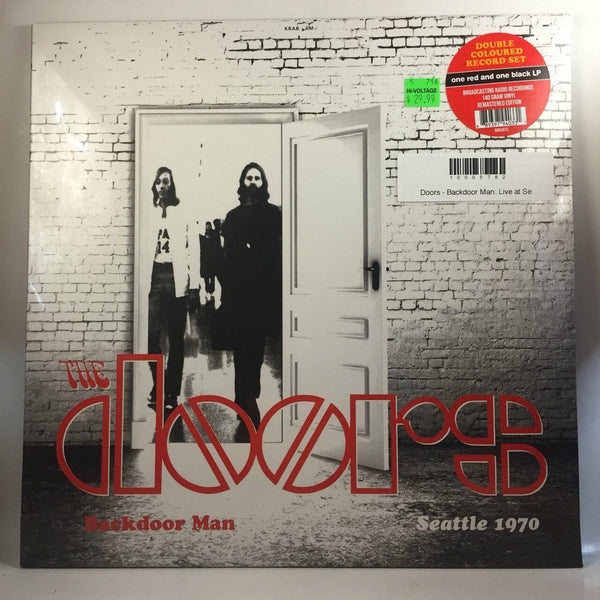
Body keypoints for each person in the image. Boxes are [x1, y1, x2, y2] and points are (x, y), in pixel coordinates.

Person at [217, 162, 281, 442]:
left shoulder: (274, 213)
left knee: (255, 347)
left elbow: (277, 251)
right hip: (238, 291)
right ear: (242, 182)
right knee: (242, 347)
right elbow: (227, 256)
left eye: (257, 178)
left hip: (263, 291)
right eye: (248, 177)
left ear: (262, 182)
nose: (252, 182)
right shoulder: (233, 216)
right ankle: (245, 399)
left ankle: (248, 395)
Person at [146, 166, 200, 423]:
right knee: (151, 337)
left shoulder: (184, 213)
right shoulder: (149, 214)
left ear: (172, 185)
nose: (162, 186)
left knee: (176, 340)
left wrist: (194, 286)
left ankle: (171, 394)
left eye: (166, 181)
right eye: (158, 182)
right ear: (154, 186)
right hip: (154, 277)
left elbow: (194, 250)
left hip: (176, 278)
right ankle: (159, 384)